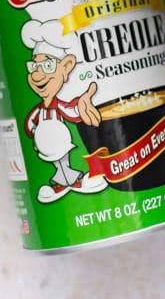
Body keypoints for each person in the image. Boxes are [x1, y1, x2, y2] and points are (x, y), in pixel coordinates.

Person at [21, 18, 108, 203]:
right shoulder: (39, 112)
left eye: (47, 65)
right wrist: (36, 136)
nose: (38, 74)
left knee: (64, 163)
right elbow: (29, 126)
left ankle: (74, 181)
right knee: (57, 164)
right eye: (34, 66)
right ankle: (59, 185)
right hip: (47, 148)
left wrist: (83, 102)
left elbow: (72, 110)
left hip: (62, 144)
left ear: (67, 66)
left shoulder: (59, 105)